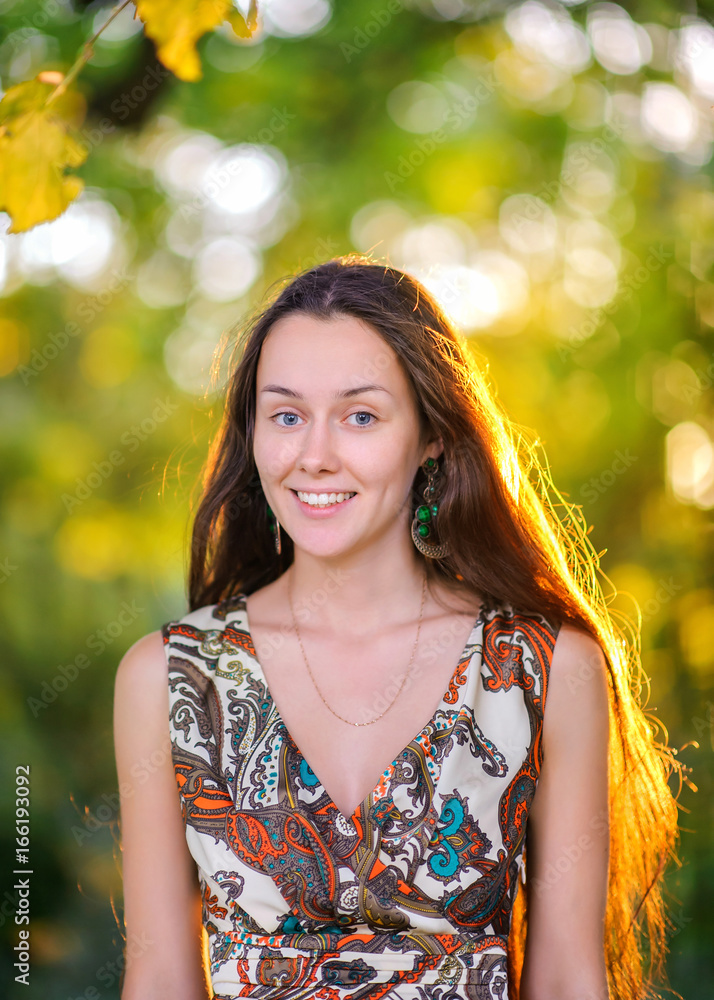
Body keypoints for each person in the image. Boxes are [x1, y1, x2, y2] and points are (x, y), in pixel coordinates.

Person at [113, 255, 681, 1000]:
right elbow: (158, 978)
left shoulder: (544, 668)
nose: (315, 457)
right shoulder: (169, 678)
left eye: (361, 416)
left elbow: (569, 980)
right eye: (286, 415)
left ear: (432, 436)